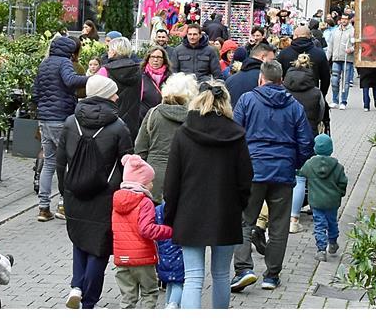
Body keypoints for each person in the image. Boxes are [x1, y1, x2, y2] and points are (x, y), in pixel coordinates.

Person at [164, 80, 252, 309]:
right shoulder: (236, 135)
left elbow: (172, 181)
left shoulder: (184, 133)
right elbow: (245, 178)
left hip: (189, 213)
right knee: (222, 275)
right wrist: (239, 206)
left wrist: (170, 214)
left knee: (193, 276)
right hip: (226, 212)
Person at [231, 61, 313, 293]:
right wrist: (293, 162)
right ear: (281, 80)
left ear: (261, 79)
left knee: (245, 221)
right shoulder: (294, 106)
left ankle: (244, 269)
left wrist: (240, 165)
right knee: (278, 226)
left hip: (253, 170)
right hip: (283, 172)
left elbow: (235, 134)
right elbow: (306, 142)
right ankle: (272, 275)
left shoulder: (247, 100)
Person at [58, 75, 133, 309]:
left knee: (79, 240)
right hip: (106, 196)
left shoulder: (71, 122)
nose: (117, 96)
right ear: (104, 95)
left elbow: (61, 162)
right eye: (113, 92)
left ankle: (76, 287)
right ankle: (89, 301)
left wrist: (64, 189)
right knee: (99, 247)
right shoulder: (119, 126)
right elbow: (126, 164)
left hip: (74, 192)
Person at [33, 35, 89, 222]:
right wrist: (91, 79)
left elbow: (35, 92)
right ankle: (63, 206)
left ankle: (43, 208)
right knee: (69, 162)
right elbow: (71, 80)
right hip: (61, 117)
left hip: (44, 119)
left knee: (49, 163)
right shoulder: (65, 62)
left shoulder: (44, 63)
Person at [111, 155, 173, 308]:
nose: (152, 184)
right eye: (150, 181)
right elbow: (146, 230)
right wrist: (169, 231)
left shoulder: (116, 200)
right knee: (149, 293)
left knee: (127, 298)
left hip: (122, 258)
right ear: (142, 182)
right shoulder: (144, 202)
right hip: (142, 258)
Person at [134, 73, 199, 202]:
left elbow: (140, 150)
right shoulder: (196, 119)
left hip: (154, 182)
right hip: (186, 181)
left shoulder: (154, 113)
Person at [285, 53, 328, 234]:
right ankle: (294, 218)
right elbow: (320, 115)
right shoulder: (316, 93)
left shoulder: (284, 91)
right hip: (307, 136)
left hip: (285, 137)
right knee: (301, 178)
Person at [97, 38, 161, 142]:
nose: (108, 51)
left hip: (108, 122)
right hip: (132, 123)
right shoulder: (138, 71)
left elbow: (98, 98)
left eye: (109, 49)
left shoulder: (105, 71)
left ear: (114, 51)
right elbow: (139, 96)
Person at [297, 134, 348, 261]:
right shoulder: (337, 166)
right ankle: (333, 242)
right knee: (332, 222)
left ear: (315, 149)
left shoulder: (309, 164)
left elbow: (301, 173)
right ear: (331, 149)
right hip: (332, 201)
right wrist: (340, 193)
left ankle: (321, 250)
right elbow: (343, 182)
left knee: (319, 225)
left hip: (316, 202)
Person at [276, 25, 330, 94]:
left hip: (288, 97)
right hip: (312, 96)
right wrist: (321, 95)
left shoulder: (284, 53)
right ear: (309, 36)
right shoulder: (320, 54)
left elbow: (277, 77)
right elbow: (326, 78)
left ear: (295, 36)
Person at [326, 14, 356, 110]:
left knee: (345, 82)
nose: (343, 21)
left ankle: (343, 101)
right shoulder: (335, 31)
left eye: (345, 19)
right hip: (336, 58)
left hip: (347, 59)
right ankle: (335, 100)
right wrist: (327, 58)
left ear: (349, 20)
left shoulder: (353, 31)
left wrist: (351, 49)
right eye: (342, 19)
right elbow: (330, 45)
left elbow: (357, 45)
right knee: (334, 81)